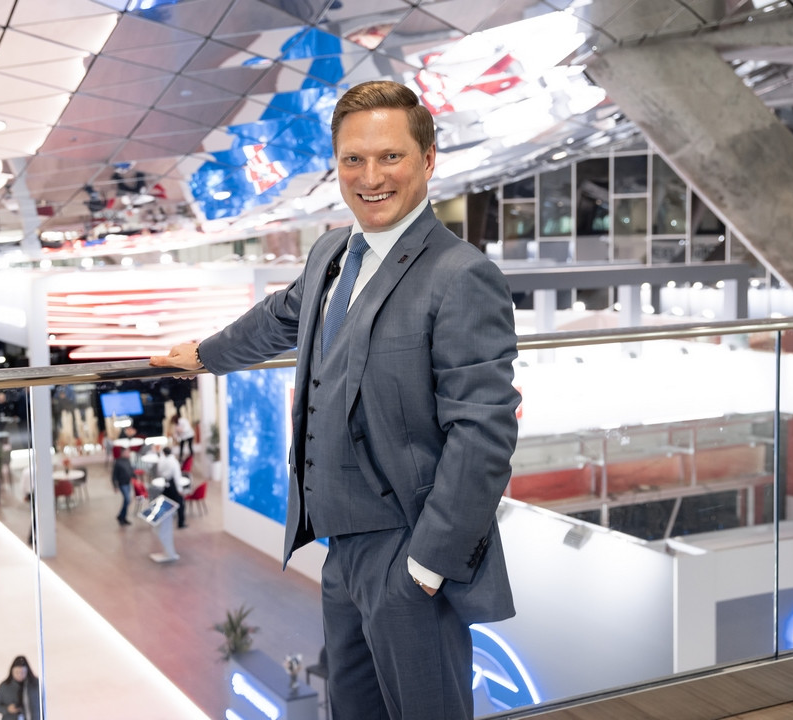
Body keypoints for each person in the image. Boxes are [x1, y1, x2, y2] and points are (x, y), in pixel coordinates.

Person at [151, 80, 520, 720]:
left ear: (428, 159)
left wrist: (425, 567)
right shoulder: (332, 252)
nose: (370, 177)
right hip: (341, 552)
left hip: (409, 551)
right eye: (354, 159)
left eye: (390, 156)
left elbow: (483, 435)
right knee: (352, 708)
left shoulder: (461, 275)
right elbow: (280, 317)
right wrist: (207, 355)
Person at [0, 655, 40, 720]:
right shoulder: (5, 685)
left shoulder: (35, 684)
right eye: (17, 672)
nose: (20, 675)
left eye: (23, 672)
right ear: (12, 671)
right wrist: (7, 709)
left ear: (27, 671)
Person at [154, 446, 186, 529]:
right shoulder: (174, 462)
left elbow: (159, 472)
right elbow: (177, 476)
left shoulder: (161, 461)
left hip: (166, 483)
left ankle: (160, 520)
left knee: (164, 502)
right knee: (180, 504)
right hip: (173, 484)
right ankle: (181, 523)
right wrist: (179, 489)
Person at [111, 447, 136, 526]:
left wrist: (135, 479)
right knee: (127, 500)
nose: (128, 454)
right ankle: (122, 517)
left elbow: (131, 471)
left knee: (127, 501)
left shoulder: (128, 461)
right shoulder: (118, 462)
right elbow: (114, 475)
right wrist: (115, 486)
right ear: (123, 453)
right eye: (127, 452)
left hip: (128, 483)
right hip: (122, 484)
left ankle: (122, 516)